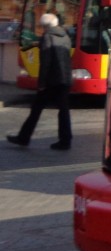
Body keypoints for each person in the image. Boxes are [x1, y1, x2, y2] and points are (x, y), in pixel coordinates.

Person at [7, 13, 73, 150]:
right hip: (65, 78)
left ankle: (23, 137)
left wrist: (41, 84)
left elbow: (46, 63)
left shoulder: (47, 37)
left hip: (51, 80)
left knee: (36, 110)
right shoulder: (65, 36)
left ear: (45, 26)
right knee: (64, 110)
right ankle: (65, 140)